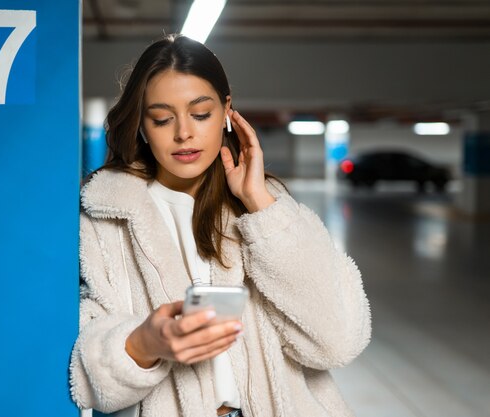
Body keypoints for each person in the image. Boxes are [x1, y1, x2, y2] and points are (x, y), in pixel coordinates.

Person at [69, 34, 371, 417]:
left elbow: (337, 340)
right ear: (142, 126)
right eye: (162, 118)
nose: (184, 133)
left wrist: (261, 205)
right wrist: (144, 345)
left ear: (227, 111)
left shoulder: (266, 209)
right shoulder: (104, 216)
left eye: (200, 114)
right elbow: (85, 370)